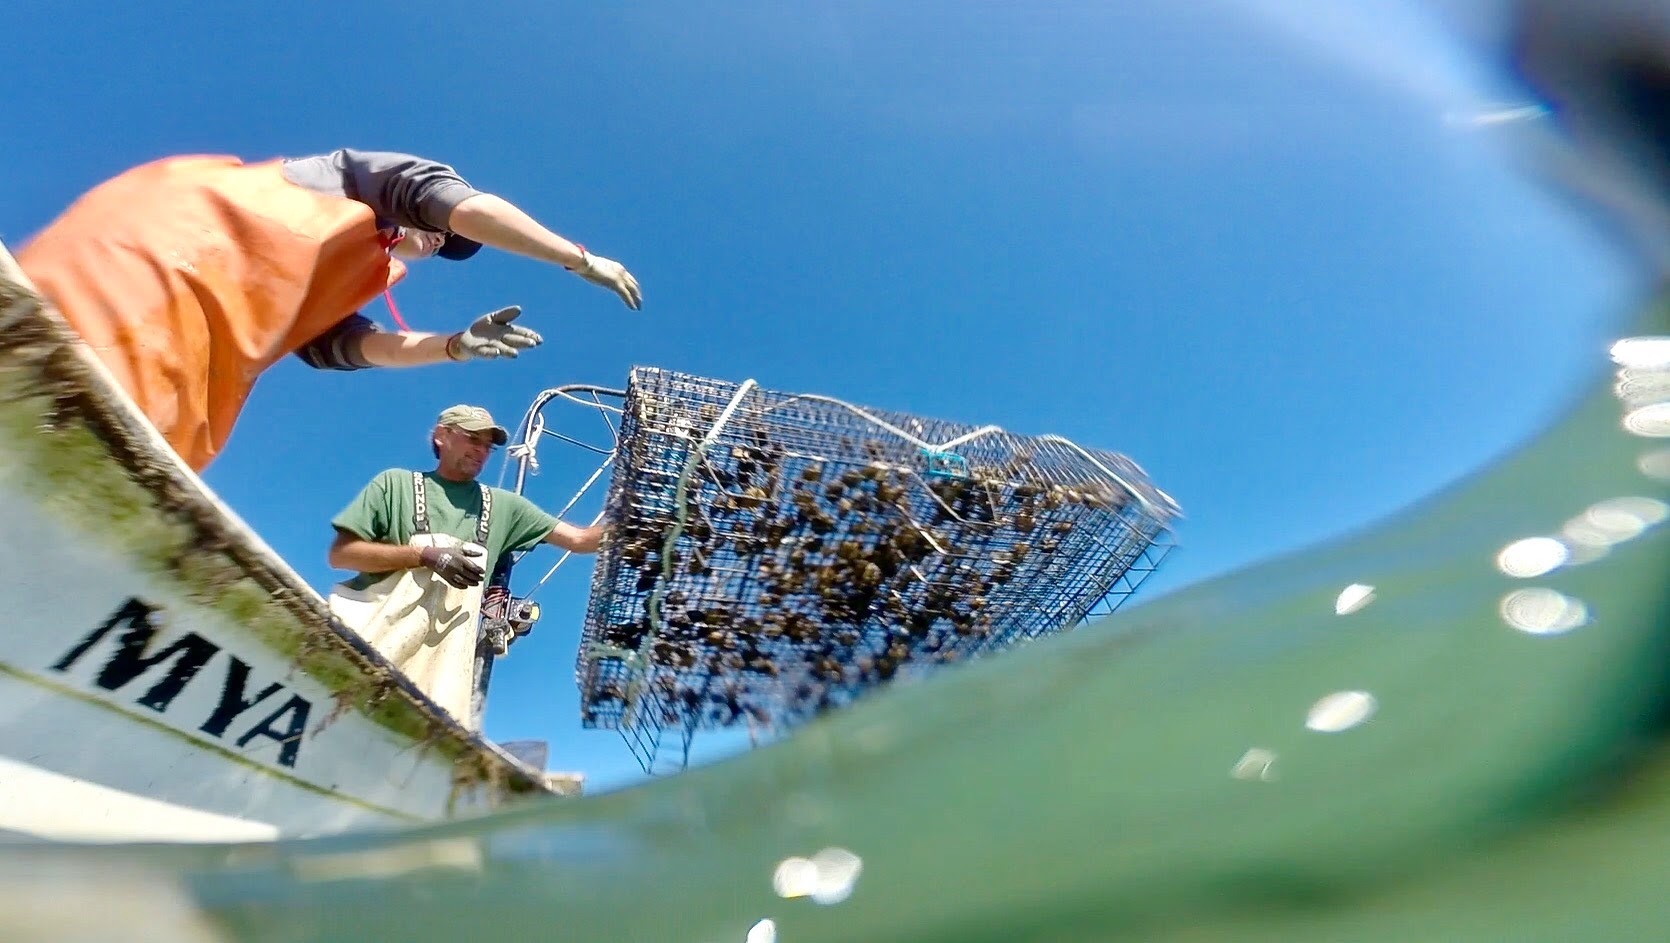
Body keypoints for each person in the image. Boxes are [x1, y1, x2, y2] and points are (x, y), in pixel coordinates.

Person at [15, 148, 642, 470]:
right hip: (100, 304)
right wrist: (580, 259)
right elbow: (458, 206)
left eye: (444, 246)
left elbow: (352, 347)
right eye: (439, 232)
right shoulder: (347, 181)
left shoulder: (337, 277)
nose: (438, 241)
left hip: (149, 411)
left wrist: (453, 345)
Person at [326, 404, 604, 726]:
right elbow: (342, 555)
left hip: (435, 675)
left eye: (488, 445)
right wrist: (424, 556)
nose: (482, 450)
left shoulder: (504, 508)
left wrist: (645, 521)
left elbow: (581, 540)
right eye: (473, 438)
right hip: (365, 640)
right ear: (441, 436)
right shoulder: (394, 485)